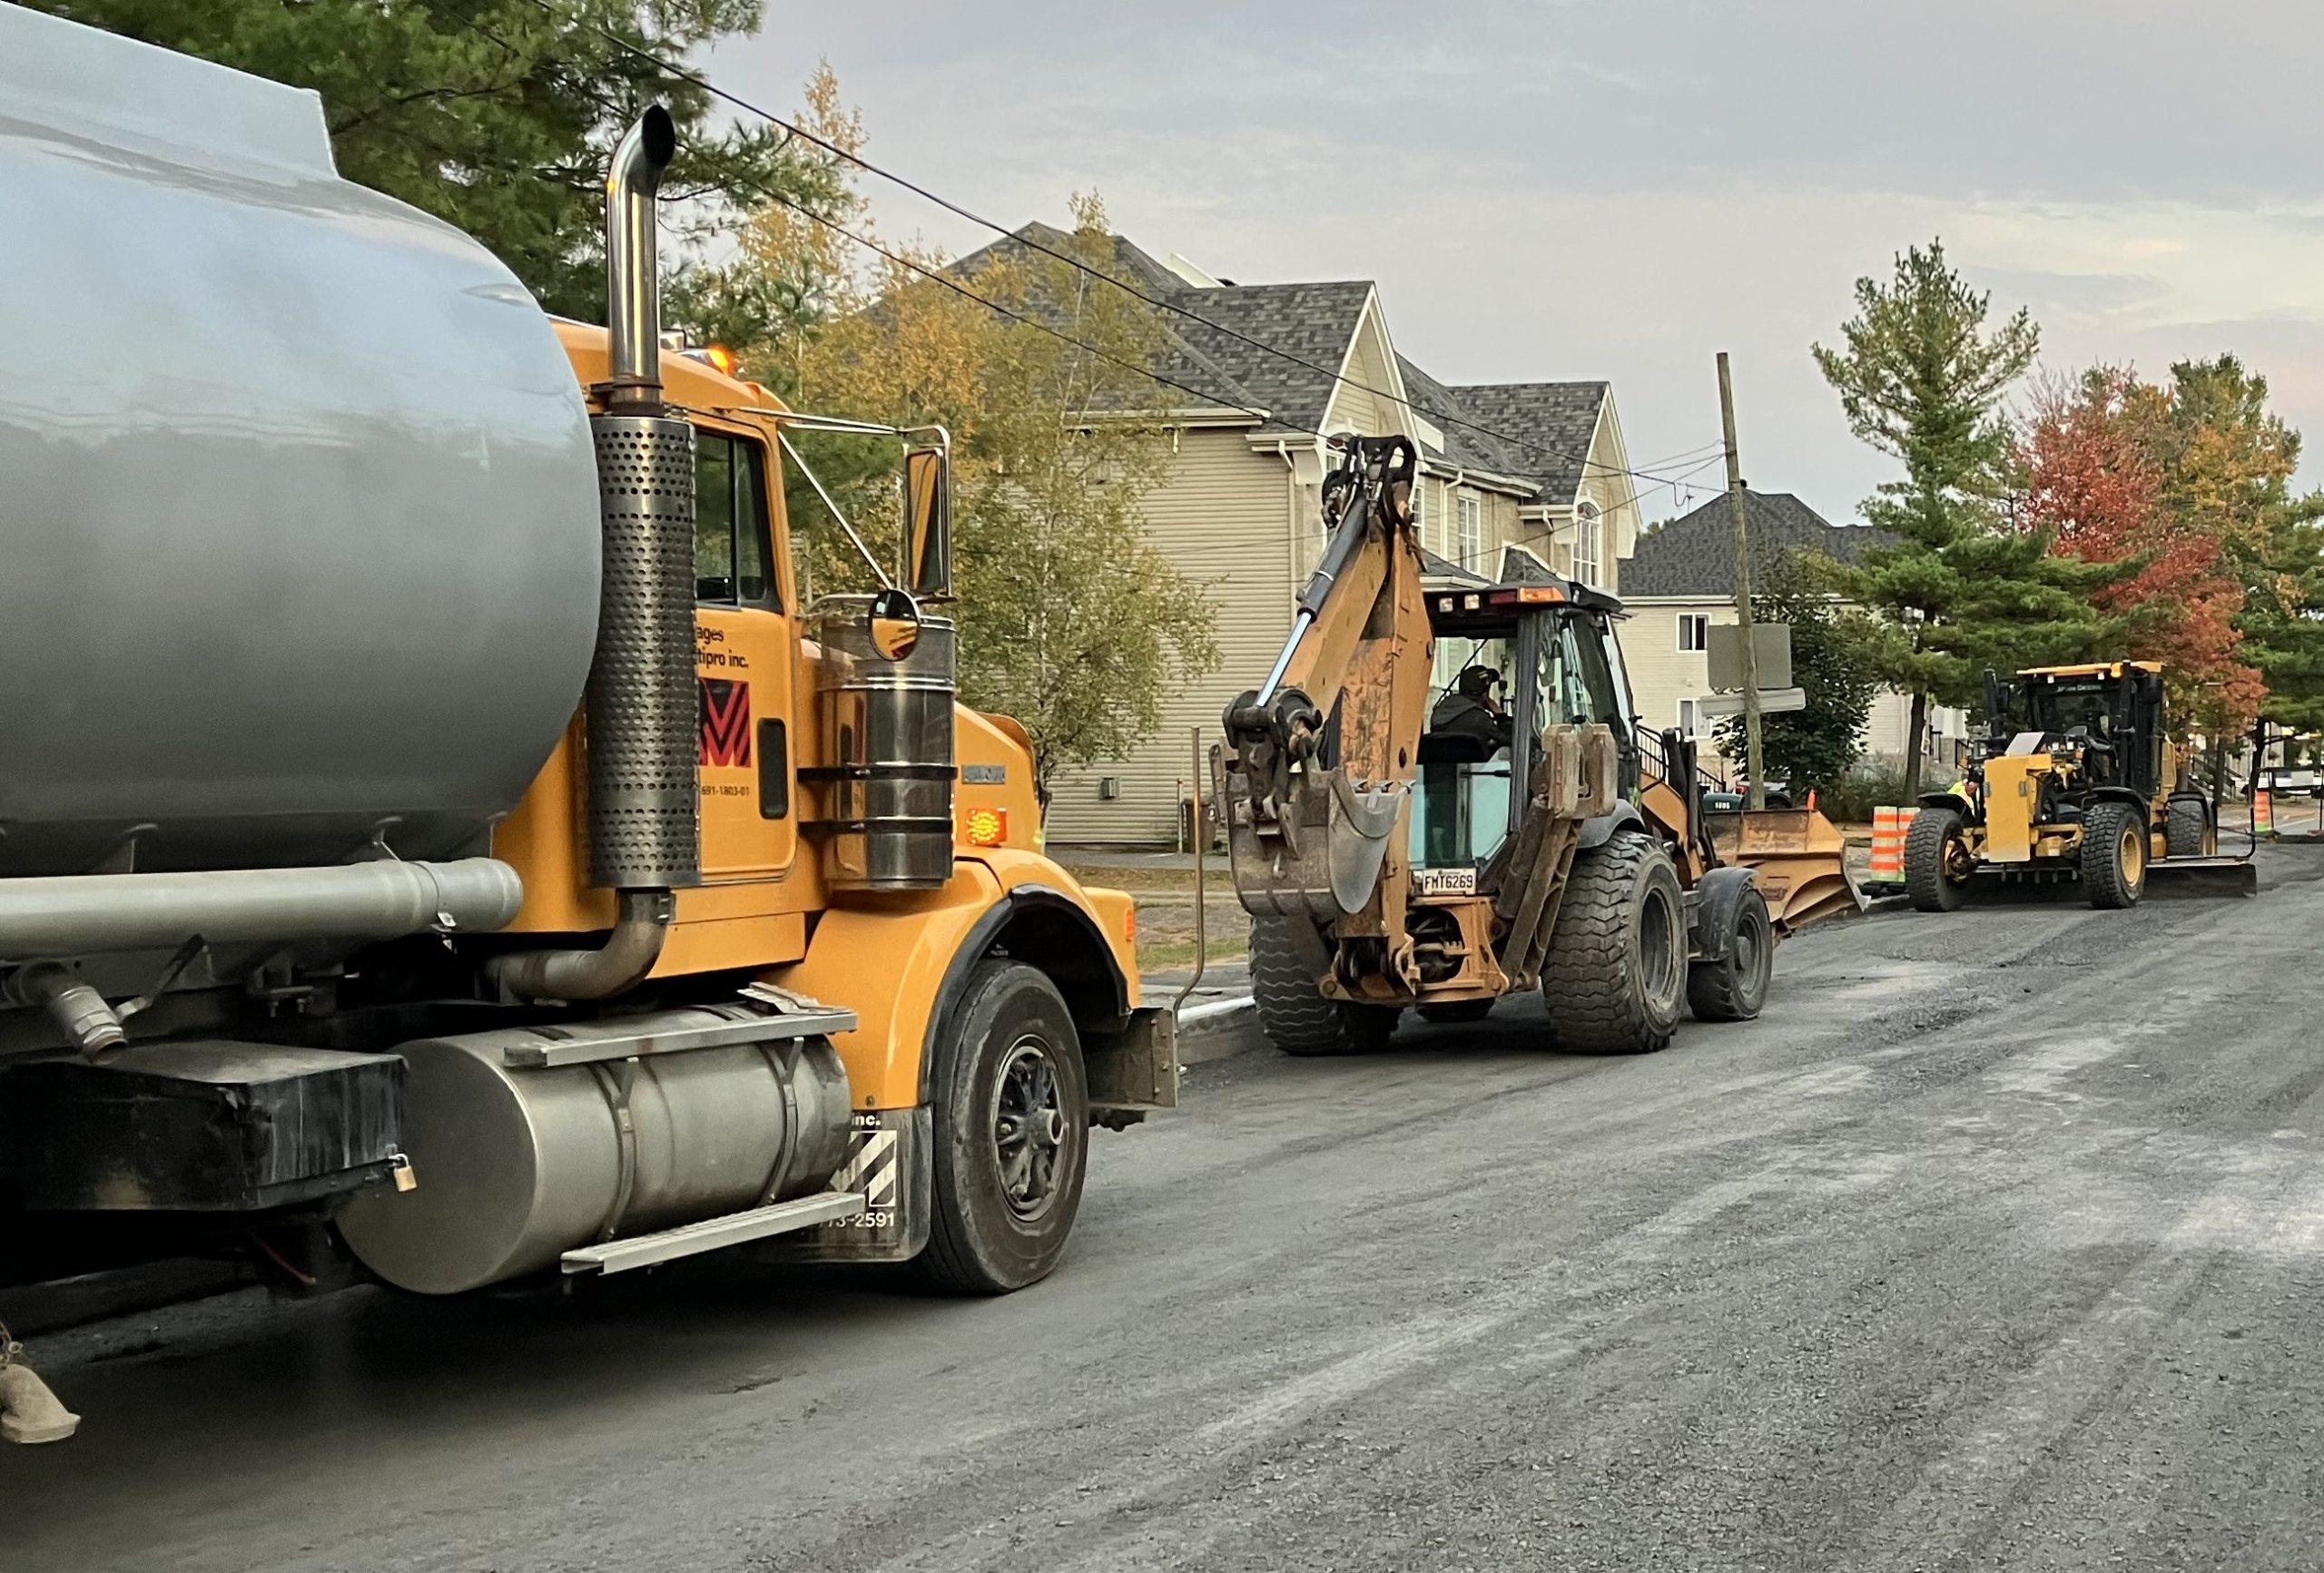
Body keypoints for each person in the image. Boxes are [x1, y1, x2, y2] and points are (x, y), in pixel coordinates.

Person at [1430, 664, 1514, 752]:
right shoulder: (1480, 719)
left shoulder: (1440, 713)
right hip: (1475, 765)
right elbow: (1511, 741)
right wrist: (1501, 717)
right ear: (1484, 693)